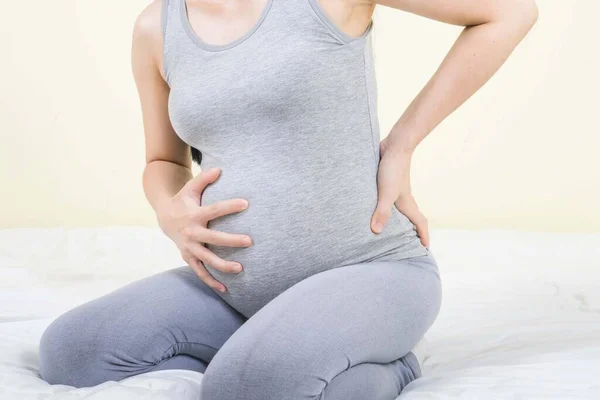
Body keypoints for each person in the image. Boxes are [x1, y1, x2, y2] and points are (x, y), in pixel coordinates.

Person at [38, 0, 538, 398]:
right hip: (235, 294)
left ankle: (392, 367)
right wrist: (170, 211)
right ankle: (277, 348)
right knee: (74, 352)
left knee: (245, 388)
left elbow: (510, 11)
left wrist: (402, 143)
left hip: (373, 271)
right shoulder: (155, 27)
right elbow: (162, 163)